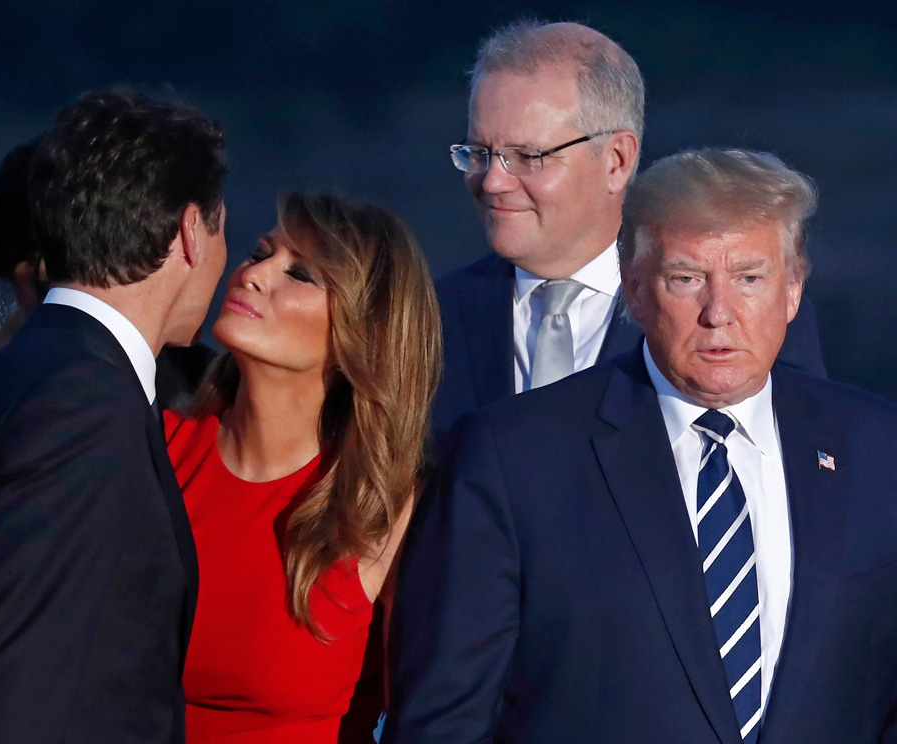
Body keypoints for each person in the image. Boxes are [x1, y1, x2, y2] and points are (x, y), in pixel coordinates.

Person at [385, 149, 897, 743]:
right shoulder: (512, 458)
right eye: (686, 279)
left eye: (750, 278)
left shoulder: (876, 449)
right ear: (634, 289)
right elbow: (444, 722)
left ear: (793, 291)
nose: (719, 313)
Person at [0, 90, 227, 744]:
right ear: (190, 230)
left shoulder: (29, 372)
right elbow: (10, 693)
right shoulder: (81, 403)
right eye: (221, 227)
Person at [433, 19, 826, 438]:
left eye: (528, 156)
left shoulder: (740, 313)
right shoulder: (421, 318)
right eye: (479, 153)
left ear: (617, 160)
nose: (492, 181)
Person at [164, 191, 441, 743]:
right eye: (258, 252)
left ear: (362, 336)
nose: (253, 273)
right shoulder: (153, 451)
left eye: (301, 274)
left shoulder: (389, 508)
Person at [0, 138, 215, 599]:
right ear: (7, 270)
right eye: (42, 277)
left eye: (73, 270)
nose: (61, 295)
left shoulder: (189, 380)